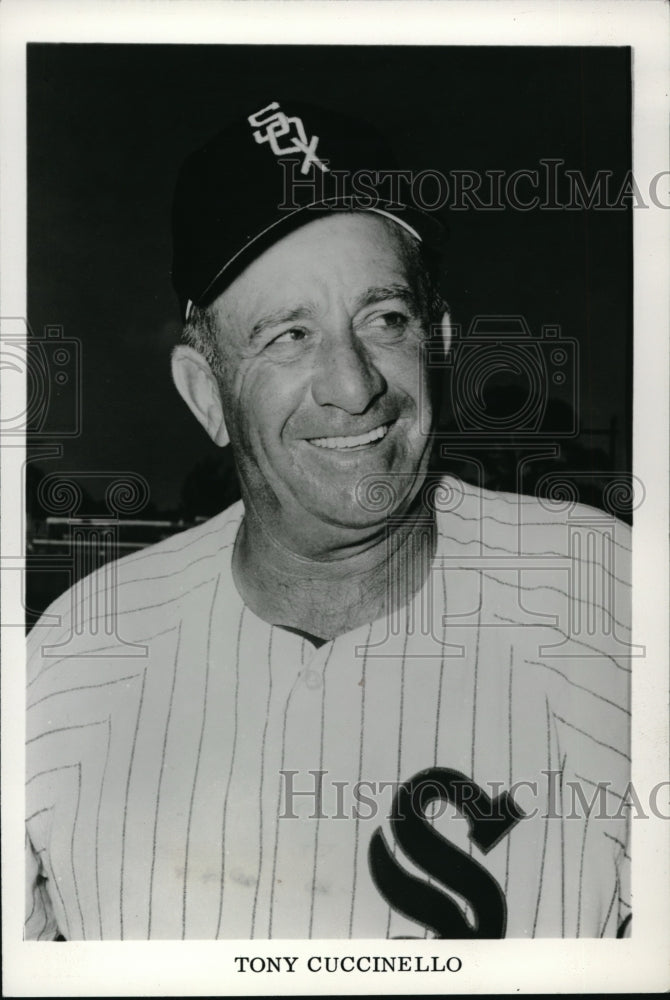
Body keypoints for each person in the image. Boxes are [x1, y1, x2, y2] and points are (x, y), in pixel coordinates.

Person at [26, 99, 631, 940]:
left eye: (386, 320)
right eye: (287, 335)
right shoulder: (72, 660)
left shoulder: (616, 600)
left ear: (440, 342)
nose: (351, 385)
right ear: (207, 393)